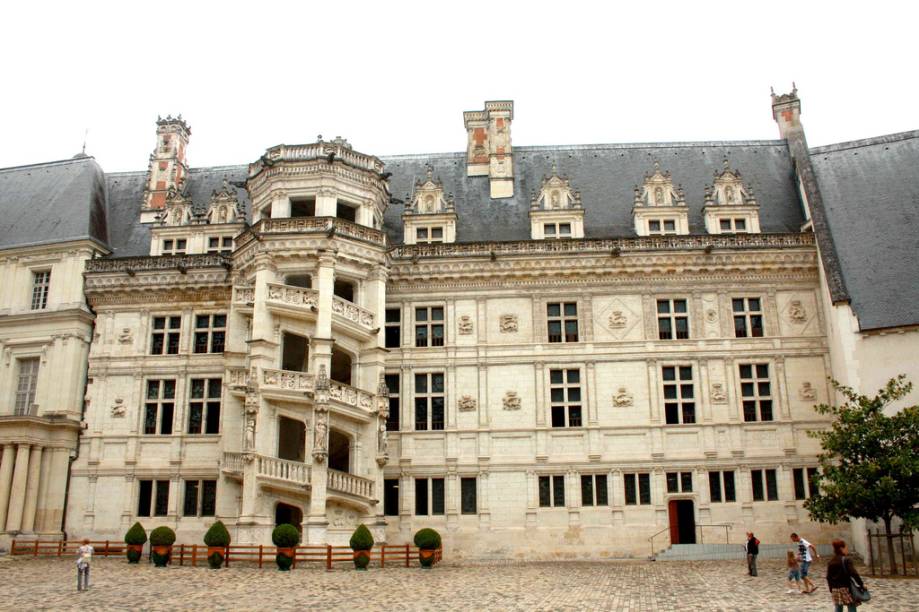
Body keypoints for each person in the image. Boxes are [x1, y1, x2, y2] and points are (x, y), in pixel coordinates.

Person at [826, 539, 866, 612]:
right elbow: (854, 573)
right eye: (846, 547)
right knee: (851, 605)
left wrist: (831, 588)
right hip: (845, 588)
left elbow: (828, 577)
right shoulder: (846, 560)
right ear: (841, 548)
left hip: (835, 588)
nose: (847, 549)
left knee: (838, 606)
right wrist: (861, 584)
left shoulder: (831, 561)